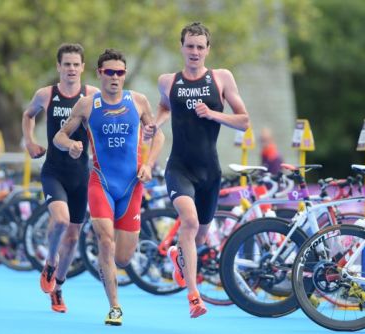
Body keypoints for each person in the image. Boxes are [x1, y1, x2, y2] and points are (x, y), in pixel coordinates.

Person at [53, 48, 164, 326]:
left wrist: (149, 164)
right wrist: (71, 145)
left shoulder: (138, 101)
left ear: (124, 75)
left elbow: (158, 135)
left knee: (124, 259)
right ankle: (114, 306)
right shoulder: (86, 105)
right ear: (99, 74)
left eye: (120, 73)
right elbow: (59, 136)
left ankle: (137, 257)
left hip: (131, 185)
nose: (115, 77)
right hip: (100, 182)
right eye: (110, 72)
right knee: (105, 240)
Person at [147, 22, 250, 318]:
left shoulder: (221, 78)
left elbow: (244, 120)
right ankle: (194, 296)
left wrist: (213, 113)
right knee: (189, 223)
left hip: (210, 171)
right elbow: (165, 107)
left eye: (200, 47)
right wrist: (156, 123)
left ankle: (179, 255)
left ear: (208, 50)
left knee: (200, 236)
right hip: (179, 167)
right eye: (189, 46)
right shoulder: (167, 80)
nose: (194, 51)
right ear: (181, 48)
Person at [22, 43, 99, 313]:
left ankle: (59, 287)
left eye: (76, 64)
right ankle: (50, 261)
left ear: (83, 68)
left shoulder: (92, 95)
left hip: (82, 174)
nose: (71, 69)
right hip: (54, 170)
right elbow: (28, 115)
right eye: (66, 64)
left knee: (73, 237)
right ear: (58, 67)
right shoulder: (46, 95)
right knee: (60, 221)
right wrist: (30, 142)